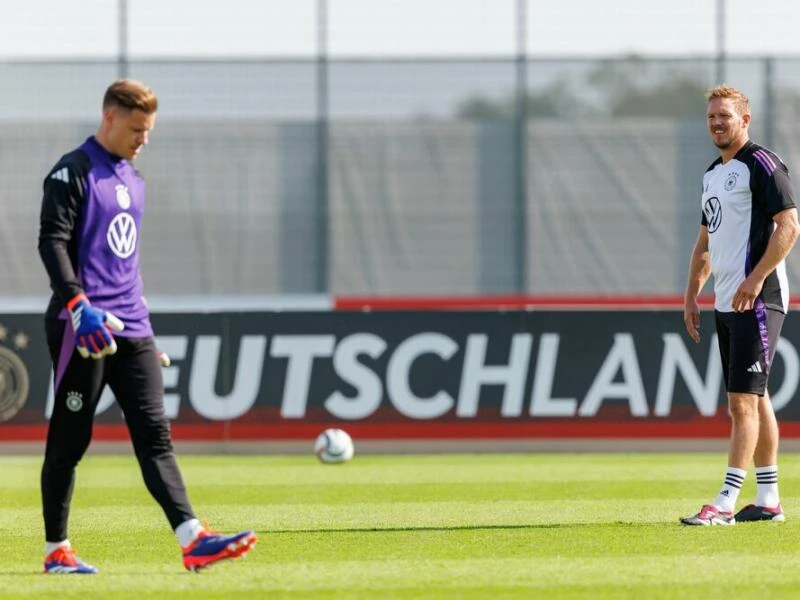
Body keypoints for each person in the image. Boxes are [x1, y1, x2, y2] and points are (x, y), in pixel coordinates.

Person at [37, 79, 257, 572]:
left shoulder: (134, 179)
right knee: (70, 442)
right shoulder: (71, 172)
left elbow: (124, 259)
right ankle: (57, 551)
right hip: (83, 326)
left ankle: (193, 538)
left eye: (149, 130)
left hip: (131, 324)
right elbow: (51, 242)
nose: (144, 140)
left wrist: (143, 327)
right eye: (137, 129)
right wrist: (77, 305)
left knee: (155, 434)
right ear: (109, 117)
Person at [681, 85, 800, 526]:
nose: (717, 122)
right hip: (726, 302)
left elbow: (789, 227)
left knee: (740, 403)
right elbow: (704, 245)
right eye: (712, 116)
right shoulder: (712, 174)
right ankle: (768, 499)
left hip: (759, 299)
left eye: (725, 116)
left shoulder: (762, 164)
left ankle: (725, 502)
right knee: (757, 397)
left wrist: (754, 280)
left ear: (744, 120)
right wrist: (692, 294)